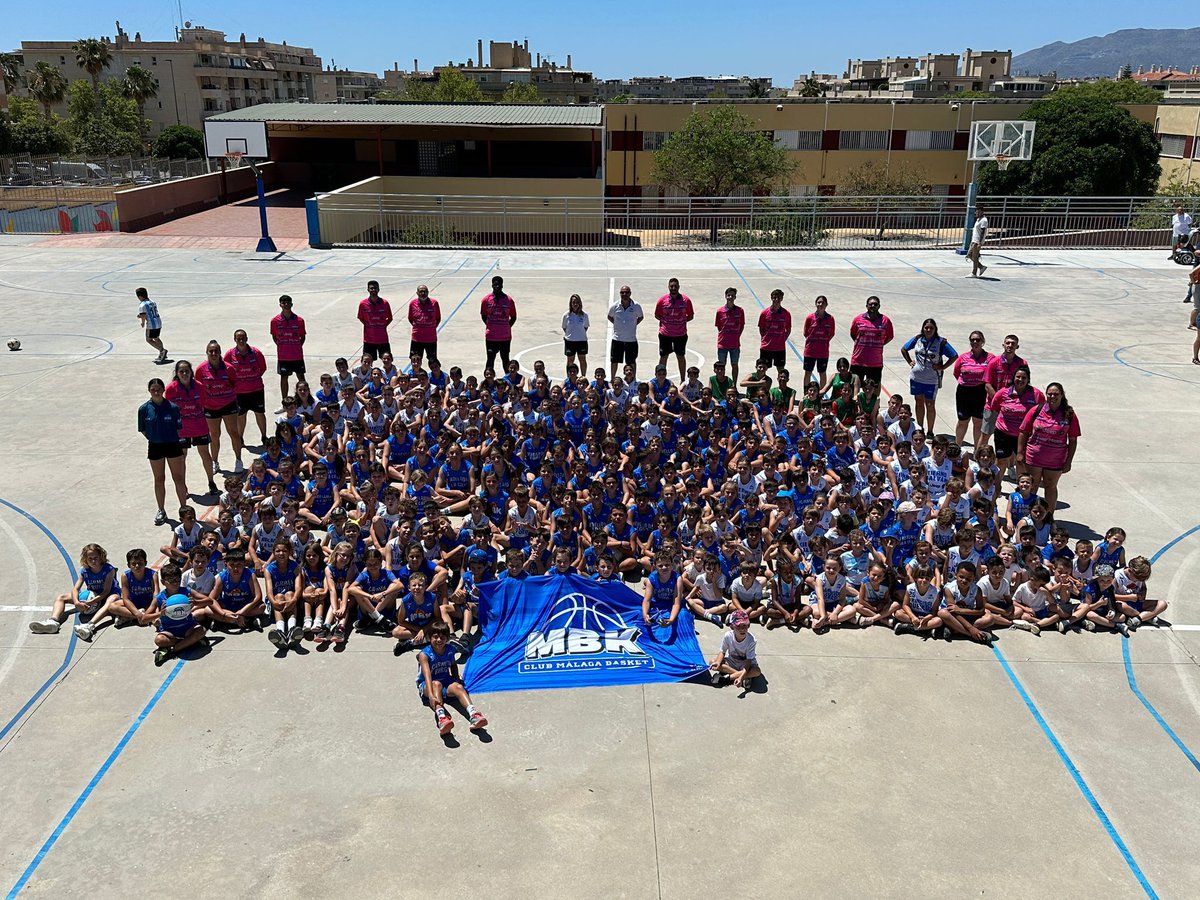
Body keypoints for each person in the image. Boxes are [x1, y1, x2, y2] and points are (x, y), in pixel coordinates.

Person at [29, 543, 120, 635]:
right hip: (93, 596)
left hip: (107, 596)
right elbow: (75, 589)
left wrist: (89, 603)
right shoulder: (85, 570)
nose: (93, 561)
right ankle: (53, 621)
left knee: (112, 598)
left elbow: (106, 591)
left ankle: (89, 625)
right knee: (61, 597)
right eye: (90, 559)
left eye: (95, 558)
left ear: (101, 557)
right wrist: (77, 602)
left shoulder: (108, 569)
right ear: (85, 559)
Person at [1018, 382, 1080, 517]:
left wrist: (1069, 461)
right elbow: (1023, 431)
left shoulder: (1069, 414)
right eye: (1050, 394)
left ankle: (1048, 518)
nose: (1052, 396)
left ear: (1062, 395)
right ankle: (1030, 516)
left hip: (1055, 460)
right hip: (1034, 457)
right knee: (1032, 486)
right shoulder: (1036, 410)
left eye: (1056, 394)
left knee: (1050, 486)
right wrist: (1020, 453)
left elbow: (1073, 440)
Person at [417, 621, 488, 735]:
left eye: (442, 637)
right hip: (428, 685)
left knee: (458, 687)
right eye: (435, 637)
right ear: (429, 638)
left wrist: (456, 678)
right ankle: (442, 719)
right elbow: (427, 676)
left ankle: (474, 714)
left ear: (447, 638)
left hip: (445, 680)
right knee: (436, 685)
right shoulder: (424, 655)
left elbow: (453, 664)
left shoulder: (450, 649)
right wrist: (430, 695)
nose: (439, 640)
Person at [139, 378, 188, 527]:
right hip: (155, 446)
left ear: (163, 390)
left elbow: (178, 427)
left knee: (178, 478)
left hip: (172, 445)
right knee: (159, 479)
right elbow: (143, 429)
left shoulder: (172, 407)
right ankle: (161, 510)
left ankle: (184, 509)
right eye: (153, 389)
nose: (156, 391)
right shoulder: (144, 409)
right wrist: (155, 438)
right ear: (149, 391)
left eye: (158, 389)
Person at [164, 360, 218, 496]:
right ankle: (184, 486)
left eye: (186, 371)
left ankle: (211, 482)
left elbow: (204, 403)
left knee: (205, 453)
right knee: (182, 457)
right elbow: (169, 408)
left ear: (191, 372)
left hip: (199, 426)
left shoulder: (199, 386)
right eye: (181, 371)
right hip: (181, 429)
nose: (184, 374)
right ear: (176, 373)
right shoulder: (171, 389)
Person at [899, 318, 957, 434]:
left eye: (931, 328)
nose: (928, 330)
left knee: (930, 404)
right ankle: (920, 428)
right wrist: (910, 361)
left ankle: (930, 431)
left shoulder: (941, 342)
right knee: (918, 402)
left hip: (931, 379)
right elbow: (904, 349)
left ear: (935, 329)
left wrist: (942, 367)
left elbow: (954, 356)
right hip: (916, 377)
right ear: (923, 329)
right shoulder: (918, 339)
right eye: (926, 328)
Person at [195, 339, 244, 474]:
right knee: (214, 435)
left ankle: (238, 460)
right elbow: (198, 387)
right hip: (210, 407)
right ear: (207, 353)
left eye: (216, 351)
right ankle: (215, 462)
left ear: (220, 352)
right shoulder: (201, 369)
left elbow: (236, 384)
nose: (213, 353)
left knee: (234, 433)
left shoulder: (229, 368)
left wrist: (227, 390)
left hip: (228, 405)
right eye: (211, 351)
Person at [985, 365, 1043, 475]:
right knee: (1001, 461)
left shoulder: (1036, 394)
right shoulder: (1003, 392)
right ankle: (997, 488)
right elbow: (995, 407)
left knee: (1021, 462)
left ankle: (1020, 489)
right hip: (1003, 433)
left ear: (1028, 379)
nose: (1020, 380)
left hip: (1024, 435)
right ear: (1013, 378)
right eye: (1018, 377)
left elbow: (1041, 412)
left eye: (1024, 378)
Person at [224, 329, 269, 449]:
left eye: (243, 338)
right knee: (241, 415)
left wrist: (252, 379)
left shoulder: (256, 352)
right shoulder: (229, 354)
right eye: (238, 338)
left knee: (260, 413)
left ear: (247, 338)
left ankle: (264, 437)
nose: (241, 340)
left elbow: (263, 368)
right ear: (234, 340)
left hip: (256, 390)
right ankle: (240, 438)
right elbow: (225, 371)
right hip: (239, 392)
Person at [953, 330, 994, 449]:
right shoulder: (963, 357)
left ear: (983, 342)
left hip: (980, 392)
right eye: (972, 340)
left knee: (978, 422)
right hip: (964, 392)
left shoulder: (990, 358)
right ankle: (957, 447)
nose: (975, 342)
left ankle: (977, 450)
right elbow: (956, 372)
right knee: (962, 421)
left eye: (978, 340)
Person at [654, 277, 694, 382]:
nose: (673, 288)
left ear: (679, 287)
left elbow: (690, 316)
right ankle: (660, 379)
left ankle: (682, 380)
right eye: (671, 286)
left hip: (680, 334)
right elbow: (657, 315)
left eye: (675, 286)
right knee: (663, 357)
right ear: (668, 287)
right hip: (665, 334)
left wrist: (679, 322)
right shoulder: (662, 300)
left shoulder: (686, 300)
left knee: (681, 356)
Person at [848, 295, 893, 388]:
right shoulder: (858, 319)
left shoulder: (885, 321)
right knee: (853, 388)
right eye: (870, 304)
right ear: (866, 306)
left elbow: (889, 337)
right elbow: (853, 334)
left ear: (879, 306)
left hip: (875, 362)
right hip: (858, 360)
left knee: (874, 388)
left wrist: (879, 344)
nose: (873, 306)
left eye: (875, 304)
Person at [709, 609, 760, 689]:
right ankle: (745, 677)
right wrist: (718, 662)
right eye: (738, 626)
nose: (742, 629)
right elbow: (722, 651)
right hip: (732, 662)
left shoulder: (751, 640)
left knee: (757, 671)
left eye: (745, 625)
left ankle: (728, 678)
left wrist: (739, 677)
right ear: (732, 626)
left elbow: (748, 661)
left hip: (746, 664)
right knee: (712, 662)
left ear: (748, 625)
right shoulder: (728, 636)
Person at [269, 294, 306, 403]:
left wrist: (296, 346)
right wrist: (282, 346)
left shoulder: (299, 320)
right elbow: (274, 337)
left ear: (291, 304)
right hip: (283, 356)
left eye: (288, 302)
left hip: (297, 355)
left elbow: (302, 336)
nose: (286, 305)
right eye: (283, 303)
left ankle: (305, 399)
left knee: (301, 377)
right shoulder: (275, 321)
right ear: (280, 304)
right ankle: (284, 401)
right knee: (284, 378)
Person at [480, 275, 518, 372]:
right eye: (495, 284)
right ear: (492, 285)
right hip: (491, 337)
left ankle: (508, 381)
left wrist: (506, 327)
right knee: (490, 359)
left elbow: (513, 317)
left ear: (502, 285)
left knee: (505, 360)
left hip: (505, 337)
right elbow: (484, 315)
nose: (497, 287)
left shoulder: (509, 300)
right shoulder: (486, 300)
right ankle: (488, 383)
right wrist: (491, 326)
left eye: (499, 285)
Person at [607, 284, 644, 381]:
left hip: (631, 339)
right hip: (617, 338)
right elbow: (610, 316)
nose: (624, 294)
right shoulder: (615, 306)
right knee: (614, 361)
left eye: (626, 292)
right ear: (620, 294)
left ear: (630, 293)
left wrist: (633, 324)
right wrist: (617, 324)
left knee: (631, 361)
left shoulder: (636, 306)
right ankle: (612, 379)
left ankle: (633, 380)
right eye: (622, 292)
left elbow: (640, 317)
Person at [801, 295, 835, 393]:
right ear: (816, 304)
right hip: (810, 351)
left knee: (822, 373)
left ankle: (820, 394)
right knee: (808, 372)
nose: (820, 304)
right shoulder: (810, 318)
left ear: (826, 305)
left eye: (822, 303)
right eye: (819, 302)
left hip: (823, 352)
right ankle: (806, 393)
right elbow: (805, 333)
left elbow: (831, 334)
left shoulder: (830, 319)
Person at [758, 288, 792, 375]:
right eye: (774, 297)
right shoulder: (765, 313)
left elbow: (788, 329)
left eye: (778, 297)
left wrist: (782, 339)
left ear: (782, 299)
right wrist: (766, 339)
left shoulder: (786, 314)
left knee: (781, 370)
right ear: (771, 298)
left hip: (779, 347)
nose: (776, 299)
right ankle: (762, 388)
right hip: (766, 347)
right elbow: (761, 328)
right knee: (763, 369)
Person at [357, 280, 393, 361]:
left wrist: (382, 326)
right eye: (371, 288)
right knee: (368, 361)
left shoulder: (385, 303)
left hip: (382, 339)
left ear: (378, 289)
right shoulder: (363, 304)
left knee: (387, 360)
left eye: (375, 288)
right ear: (368, 289)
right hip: (369, 340)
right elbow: (360, 318)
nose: (373, 290)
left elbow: (390, 318)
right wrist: (369, 326)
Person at [407, 284, 442, 365]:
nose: (423, 293)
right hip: (417, 338)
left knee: (433, 361)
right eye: (421, 291)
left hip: (430, 338)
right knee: (415, 360)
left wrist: (430, 328)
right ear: (417, 293)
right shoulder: (412, 303)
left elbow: (438, 318)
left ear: (428, 292)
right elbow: (410, 318)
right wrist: (419, 327)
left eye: (425, 291)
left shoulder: (434, 303)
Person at [135, 286, 167, 363]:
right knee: (156, 338)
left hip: (151, 324)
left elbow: (144, 315)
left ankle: (162, 350)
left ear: (139, 296)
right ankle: (162, 354)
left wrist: (142, 322)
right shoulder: (152, 302)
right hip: (158, 322)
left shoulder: (142, 305)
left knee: (149, 339)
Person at [562, 293, 590, 376]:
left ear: (580, 303)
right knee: (570, 361)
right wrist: (571, 334)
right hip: (570, 341)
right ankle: (569, 377)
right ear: (570, 303)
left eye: (577, 302)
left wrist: (578, 334)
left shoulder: (584, 315)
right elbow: (564, 327)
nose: (575, 304)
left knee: (582, 359)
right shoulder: (566, 315)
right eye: (573, 302)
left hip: (581, 340)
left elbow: (585, 327)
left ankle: (583, 376)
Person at [967, 207, 988, 277]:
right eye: (976, 212)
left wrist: (979, 242)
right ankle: (981, 267)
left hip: (977, 241)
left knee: (975, 257)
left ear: (982, 212)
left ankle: (974, 273)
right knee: (969, 255)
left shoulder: (984, 220)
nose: (977, 213)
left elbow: (983, 231)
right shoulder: (978, 219)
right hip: (974, 240)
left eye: (979, 212)